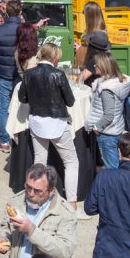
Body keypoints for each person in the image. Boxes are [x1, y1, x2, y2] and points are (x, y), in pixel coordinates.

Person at [19, 43, 80, 208]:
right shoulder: (58, 74)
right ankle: (72, 202)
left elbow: (22, 98)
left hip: (37, 121)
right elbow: (71, 101)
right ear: (54, 57)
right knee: (71, 162)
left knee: (39, 161)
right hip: (56, 122)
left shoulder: (29, 73)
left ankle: (34, 197)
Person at [0, 164, 77, 258]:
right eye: (28, 187)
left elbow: (65, 251)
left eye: (37, 191)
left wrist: (31, 230)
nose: (30, 193)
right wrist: (4, 239)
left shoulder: (65, 213)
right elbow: (6, 226)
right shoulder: (16, 201)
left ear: (51, 191)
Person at [0, 0, 24, 154]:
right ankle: (18, 135)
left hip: (3, 73)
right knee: (18, 106)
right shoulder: (24, 29)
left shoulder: (1, 29)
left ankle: (4, 141)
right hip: (19, 74)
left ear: (6, 11)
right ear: (20, 12)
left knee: (3, 108)